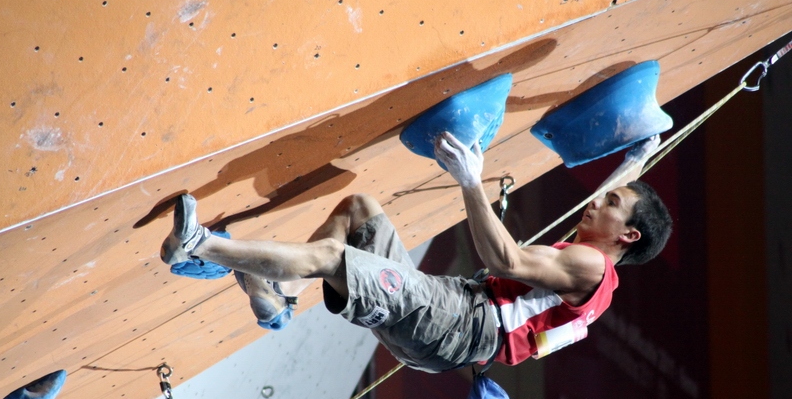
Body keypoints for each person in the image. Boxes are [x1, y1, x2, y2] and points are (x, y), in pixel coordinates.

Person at [160, 132, 671, 372]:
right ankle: (279, 297)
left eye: (611, 202)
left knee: (331, 260)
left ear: (627, 236)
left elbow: (506, 262)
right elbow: (624, 210)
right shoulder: (602, 274)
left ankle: (201, 245)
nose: (597, 201)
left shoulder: (589, 262)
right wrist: (638, 159)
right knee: (358, 212)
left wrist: (470, 182)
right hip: (450, 326)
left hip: (455, 321)